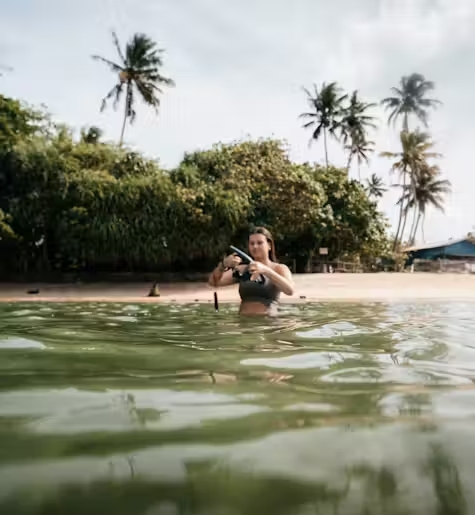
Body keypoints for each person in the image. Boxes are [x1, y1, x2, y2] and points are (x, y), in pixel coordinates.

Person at [208, 227, 295, 315]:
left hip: (268, 322)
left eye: (259, 243)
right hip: (244, 323)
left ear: (269, 245)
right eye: (252, 243)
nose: (255, 246)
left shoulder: (279, 268)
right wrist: (223, 265)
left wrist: (266, 271)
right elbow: (214, 282)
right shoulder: (243, 269)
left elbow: (290, 290)